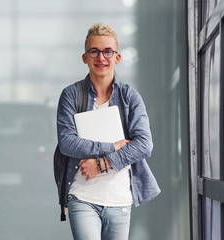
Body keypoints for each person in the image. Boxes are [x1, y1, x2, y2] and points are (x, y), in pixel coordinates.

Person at [56, 23, 161, 240]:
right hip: (82, 196)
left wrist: (102, 164)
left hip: (119, 200)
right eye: (94, 51)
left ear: (117, 57)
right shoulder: (70, 95)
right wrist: (113, 146)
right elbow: (67, 142)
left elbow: (144, 145)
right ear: (85, 57)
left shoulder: (130, 97)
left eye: (107, 52)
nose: (101, 57)